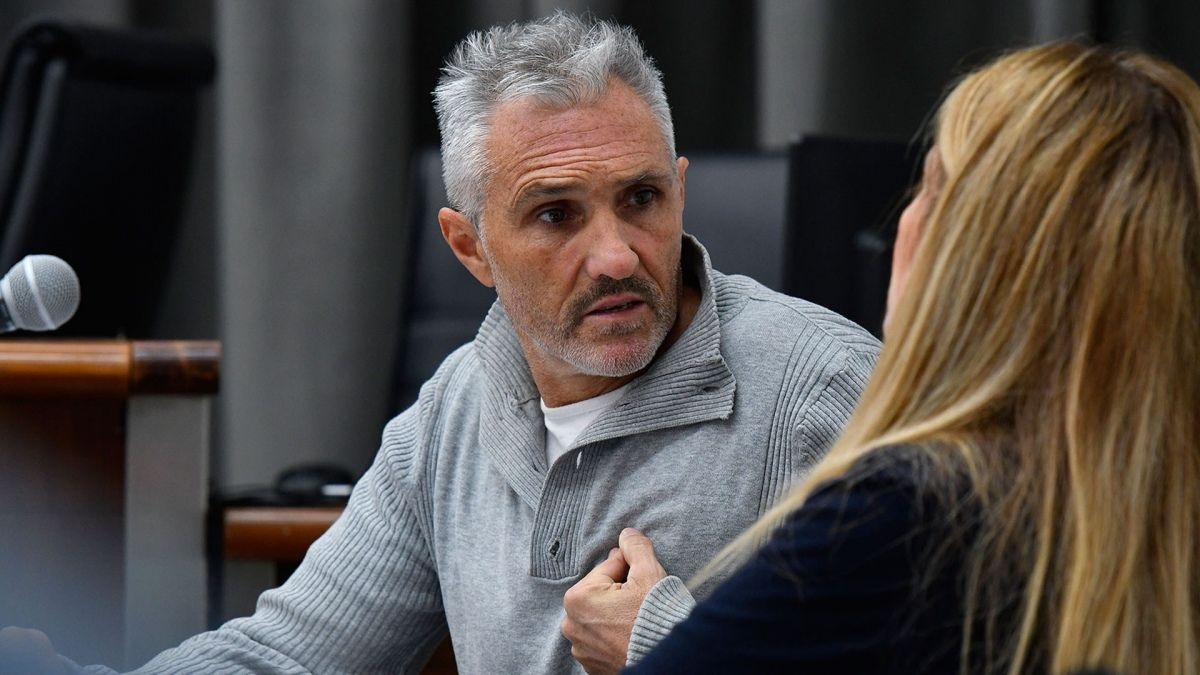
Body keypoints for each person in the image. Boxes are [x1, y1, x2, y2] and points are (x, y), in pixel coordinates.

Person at [0, 12, 879, 674]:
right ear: (469, 247)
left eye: (640, 199)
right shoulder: (459, 405)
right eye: (555, 214)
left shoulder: (825, 393)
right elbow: (287, 656)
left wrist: (665, 644)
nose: (616, 254)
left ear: (680, 193)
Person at [562, 41, 1200, 674]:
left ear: (973, 258)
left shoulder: (908, 511)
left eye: (930, 187)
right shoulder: (1153, 492)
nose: (903, 219)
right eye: (557, 214)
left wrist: (656, 641)